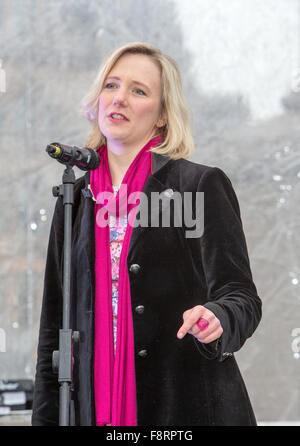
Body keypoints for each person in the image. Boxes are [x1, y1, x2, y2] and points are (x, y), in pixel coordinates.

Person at [31, 42, 262, 426]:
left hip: (185, 406)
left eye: (138, 91)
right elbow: (53, 329)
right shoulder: (75, 197)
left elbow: (243, 297)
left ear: (162, 115)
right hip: (92, 409)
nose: (119, 98)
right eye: (112, 85)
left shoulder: (198, 185)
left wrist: (219, 315)